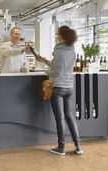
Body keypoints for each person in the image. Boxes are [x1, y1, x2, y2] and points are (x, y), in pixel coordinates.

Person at [37, 26, 83, 156]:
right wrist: (45, 61)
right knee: (70, 116)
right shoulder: (72, 51)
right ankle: (78, 146)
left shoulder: (58, 51)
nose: (56, 36)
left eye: (58, 34)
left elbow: (55, 72)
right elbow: (60, 67)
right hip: (69, 87)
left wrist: (43, 69)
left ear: (61, 36)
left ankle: (61, 148)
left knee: (60, 118)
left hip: (57, 88)